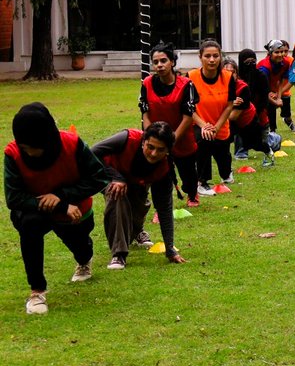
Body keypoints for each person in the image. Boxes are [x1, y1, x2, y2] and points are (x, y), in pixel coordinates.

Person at [5, 103, 110, 315]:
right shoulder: (12, 153)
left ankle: (84, 260)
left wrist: (62, 196)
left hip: (75, 211)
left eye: (32, 147)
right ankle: (37, 291)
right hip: (38, 210)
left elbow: (99, 178)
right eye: (24, 147)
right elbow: (13, 197)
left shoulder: (72, 144)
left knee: (81, 248)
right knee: (29, 225)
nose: (29, 152)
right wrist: (59, 204)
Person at [93, 122, 186, 270]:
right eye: (150, 147)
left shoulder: (165, 169)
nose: (154, 153)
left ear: (168, 150)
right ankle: (119, 254)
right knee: (118, 196)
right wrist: (116, 177)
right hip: (108, 173)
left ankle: (136, 231)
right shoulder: (127, 138)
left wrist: (170, 249)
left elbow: (164, 209)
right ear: (143, 141)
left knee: (138, 205)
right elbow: (91, 153)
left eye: (160, 150)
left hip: (136, 181)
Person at [139, 42, 199, 208]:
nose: (159, 65)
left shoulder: (186, 85)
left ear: (172, 62)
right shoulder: (147, 83)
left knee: (188, 173)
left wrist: (171, 141)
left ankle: (192, 194)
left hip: (181, 137)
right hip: (156, 139)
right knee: (158, 172)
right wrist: (151, 138)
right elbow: (145, 113)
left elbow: (188, 117)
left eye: (163, 61)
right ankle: (161, 205)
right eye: (155, 62)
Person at [187, 39, 237, 197]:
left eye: (215, 56)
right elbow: (188, 107)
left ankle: (226, 172)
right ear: (200, 57)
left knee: (224, 163)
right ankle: (202, 182)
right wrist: (204, 126)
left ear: (220, 57)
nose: (212, 60)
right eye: (207, 56)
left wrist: (216, 127)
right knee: (205, 141)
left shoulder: (228, 77)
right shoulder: (191, 77)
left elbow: (229, 105)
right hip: (199, 124)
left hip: (220, 125)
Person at [231, 51, 273, 166]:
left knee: (260, 143)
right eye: (247, 62)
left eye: (253, 61)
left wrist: (257, 112)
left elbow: (264, 98)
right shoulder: (235, 79)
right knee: (239, 129)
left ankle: (274, 140)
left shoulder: (260, 76)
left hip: (258, 113)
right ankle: (241, 152)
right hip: (241, 114)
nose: (251, 64)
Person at [258, 40, 295, 134]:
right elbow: (261, 89)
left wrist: (279, 97)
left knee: (284, 100)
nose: (280, 54)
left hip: (274, 89)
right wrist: (274, 100)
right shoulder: (264, 67)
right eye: (277, 52)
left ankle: (282, 124)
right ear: (270, 53)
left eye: (282, 51)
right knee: (267, 108)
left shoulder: (286, 62)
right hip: (259, 90)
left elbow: (281, 80)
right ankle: (270, 131)